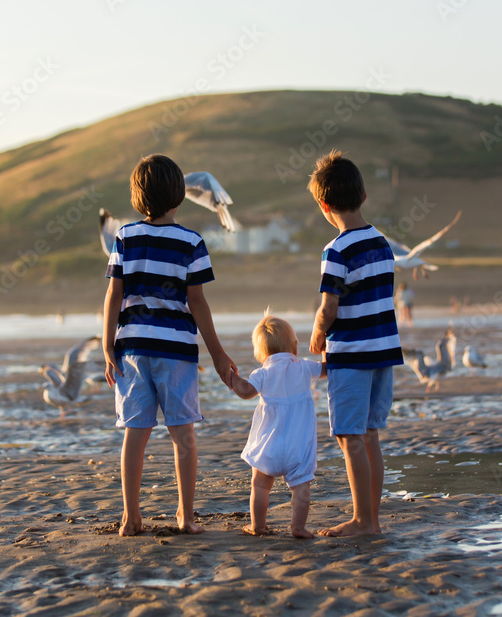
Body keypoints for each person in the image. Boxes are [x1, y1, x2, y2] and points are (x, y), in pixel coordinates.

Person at [103, 153, 236, 537]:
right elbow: (197, 303)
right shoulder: (191, 242)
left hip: (133, 352)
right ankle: (186, 516)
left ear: (137, 199)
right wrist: (218, 353)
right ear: (179, 197)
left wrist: (107, 345)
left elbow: (113, 297)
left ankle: (131, 517)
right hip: (177, 352)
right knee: (184, 435)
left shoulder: (125, 237)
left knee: (135, 434)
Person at [307, 150, 404, 537]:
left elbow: (329, 306)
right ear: (363, 197)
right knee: (369, 435)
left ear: (324, 205)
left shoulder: (336, 250)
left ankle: (363, 521)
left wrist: (317, 333)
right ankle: (372, 519)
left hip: (352, 354)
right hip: (383, 351)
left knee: (350, 437)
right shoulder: (382, 243)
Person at [230, 313, 326, 539]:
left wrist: (232, 377)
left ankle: (258, 526)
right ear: (294, 346)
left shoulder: (263, 373)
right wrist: (324, 347)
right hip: (298, 447)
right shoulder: (304, 368)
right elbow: (327, 368)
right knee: (301, 487)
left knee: (260, 485)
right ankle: (298, 528)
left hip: (269, 446)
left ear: (261, 354)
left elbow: (245, 392)